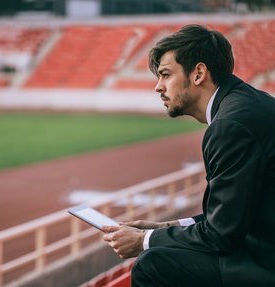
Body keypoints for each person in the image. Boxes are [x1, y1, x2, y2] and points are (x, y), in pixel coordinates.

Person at [102, 24, 275, 287]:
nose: (158, 87)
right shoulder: (247, 104)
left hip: (265, 262)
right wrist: (163, 227)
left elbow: (221, 236)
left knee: (152, 264)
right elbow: (231, 215)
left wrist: (143, 241)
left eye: (166, 75)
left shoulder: (229, 126)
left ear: (198, 73)